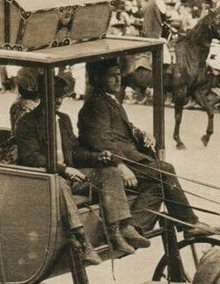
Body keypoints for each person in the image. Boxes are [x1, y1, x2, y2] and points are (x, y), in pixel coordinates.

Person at [77, 59, 220, 239]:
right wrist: (120, 165)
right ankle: (189, 223)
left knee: (160, 187)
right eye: (111, 76)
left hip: (129, 158)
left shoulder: (108, 100)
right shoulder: (95, 104)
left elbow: (123, 128)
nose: (118, 80)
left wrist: (141, 134)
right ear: (97, 79)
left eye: (118, 75)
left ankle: (136, 228)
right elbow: (100, 140)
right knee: (165, 170)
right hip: (116, 163)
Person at [13, 72, 144, 263]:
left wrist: (98, 157)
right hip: (43, 180)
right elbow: (31, 158)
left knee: (110, 173)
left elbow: (75, 150)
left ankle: (117, 229)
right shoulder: (26, 123)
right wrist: (64, 170)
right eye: (54, 96)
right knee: (59, 183)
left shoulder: (63, 120)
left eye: (61, 96)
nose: (58, 100)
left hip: (69, 176)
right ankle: (81, 240)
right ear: (42, 96)